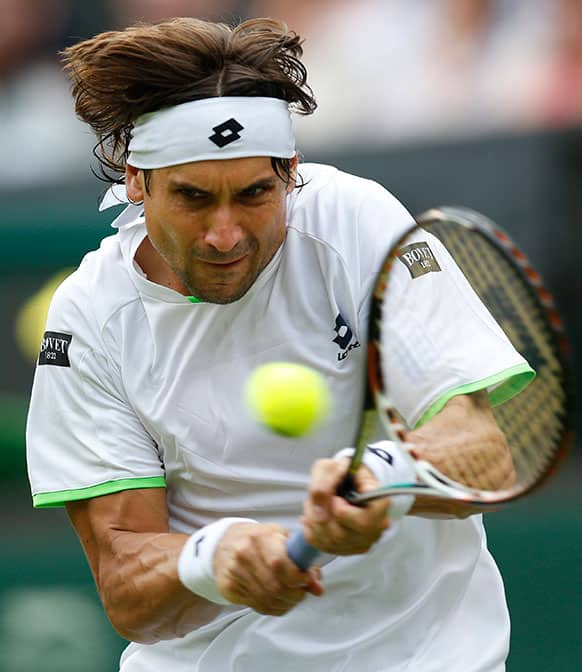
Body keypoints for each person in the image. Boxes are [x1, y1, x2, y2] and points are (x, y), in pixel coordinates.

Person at [26, 17, 534, 672]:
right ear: (136, 182)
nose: (225, 234)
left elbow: (484, 452)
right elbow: (128, 588)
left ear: (291, 173)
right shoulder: (89, 318)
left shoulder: (355, 219)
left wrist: (383, 479)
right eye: (193, 197)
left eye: (254, 194)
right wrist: (213, 560)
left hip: (429, 656)